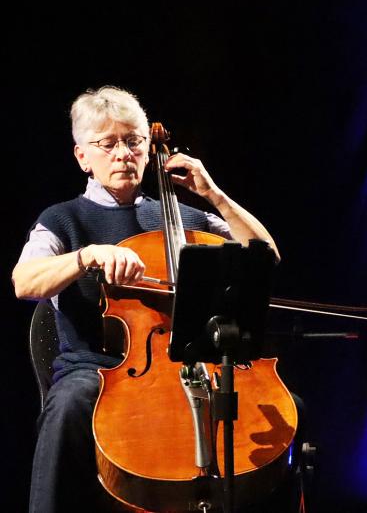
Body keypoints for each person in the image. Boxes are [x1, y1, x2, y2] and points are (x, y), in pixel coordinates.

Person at [12, 86, 281, 512]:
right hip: (99, 371)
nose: (123, 153)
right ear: (82, 156)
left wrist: (214, 195)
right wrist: (86, 256)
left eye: (133, 141)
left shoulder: (187, 219)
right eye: (107, 143)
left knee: (285, 412)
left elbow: (265, 257)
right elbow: (24, 282)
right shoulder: (63, 219)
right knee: (67, 407)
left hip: (193, 365)